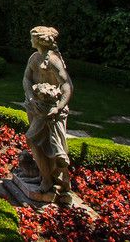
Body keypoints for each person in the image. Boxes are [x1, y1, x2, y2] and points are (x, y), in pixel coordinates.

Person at [22, 25, 73, 195]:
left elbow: (67, 85)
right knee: (43, 143)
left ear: (38, 41)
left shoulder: (52, 60)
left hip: (50, 109)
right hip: (36, 106)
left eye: (32, 38)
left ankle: (48, 178)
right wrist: (30, 96)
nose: (30, 40)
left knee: (38, 140)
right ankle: (47, 176)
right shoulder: (35, 57)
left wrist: (58, 107)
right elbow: (26, 78)